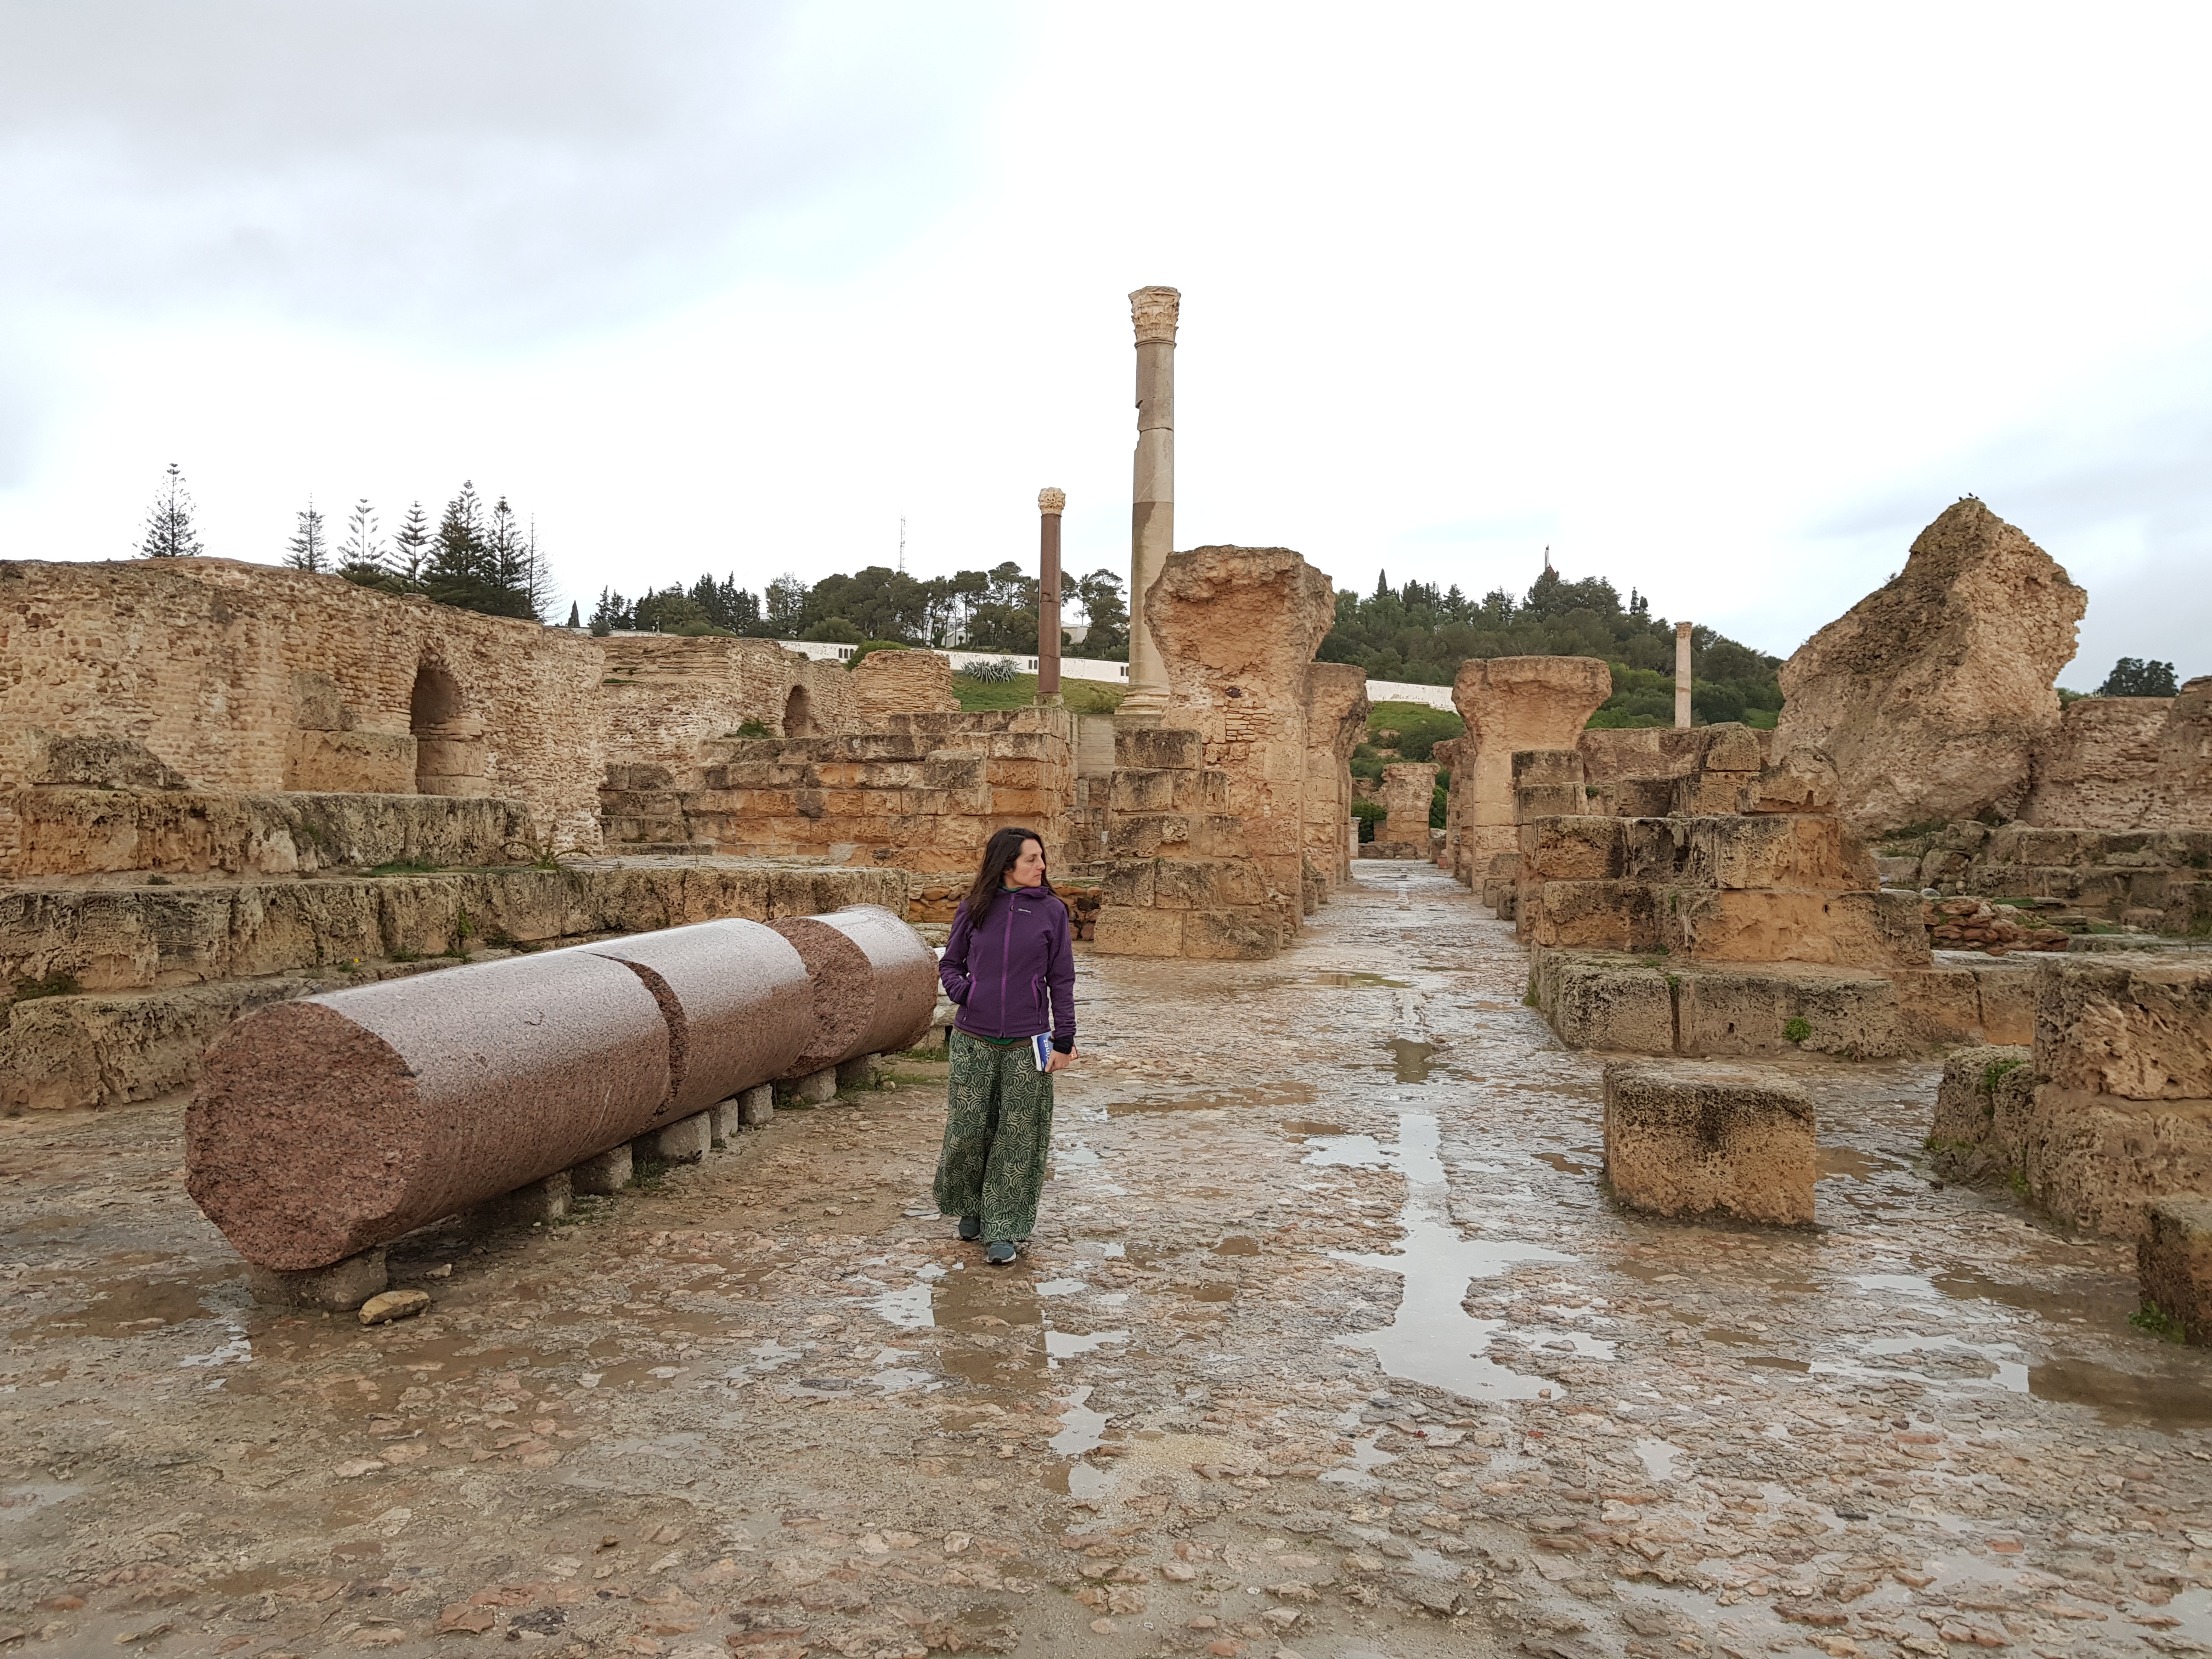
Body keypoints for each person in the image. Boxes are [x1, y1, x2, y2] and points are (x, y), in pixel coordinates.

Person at [932, 825, 1077, 1265]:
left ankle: (1005, 1229)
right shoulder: (974, 908)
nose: (1041, 866)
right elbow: (951, 962)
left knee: (1017, 1138)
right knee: (968, 1131)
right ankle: (970, 1207)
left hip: (1027, 1041)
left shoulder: (1053, 911)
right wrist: (965, 993)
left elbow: (1062, 979)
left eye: (1041, 857)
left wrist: (1065, 1038)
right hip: (973, 1038)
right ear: (1007, 864)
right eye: (1032, 859)